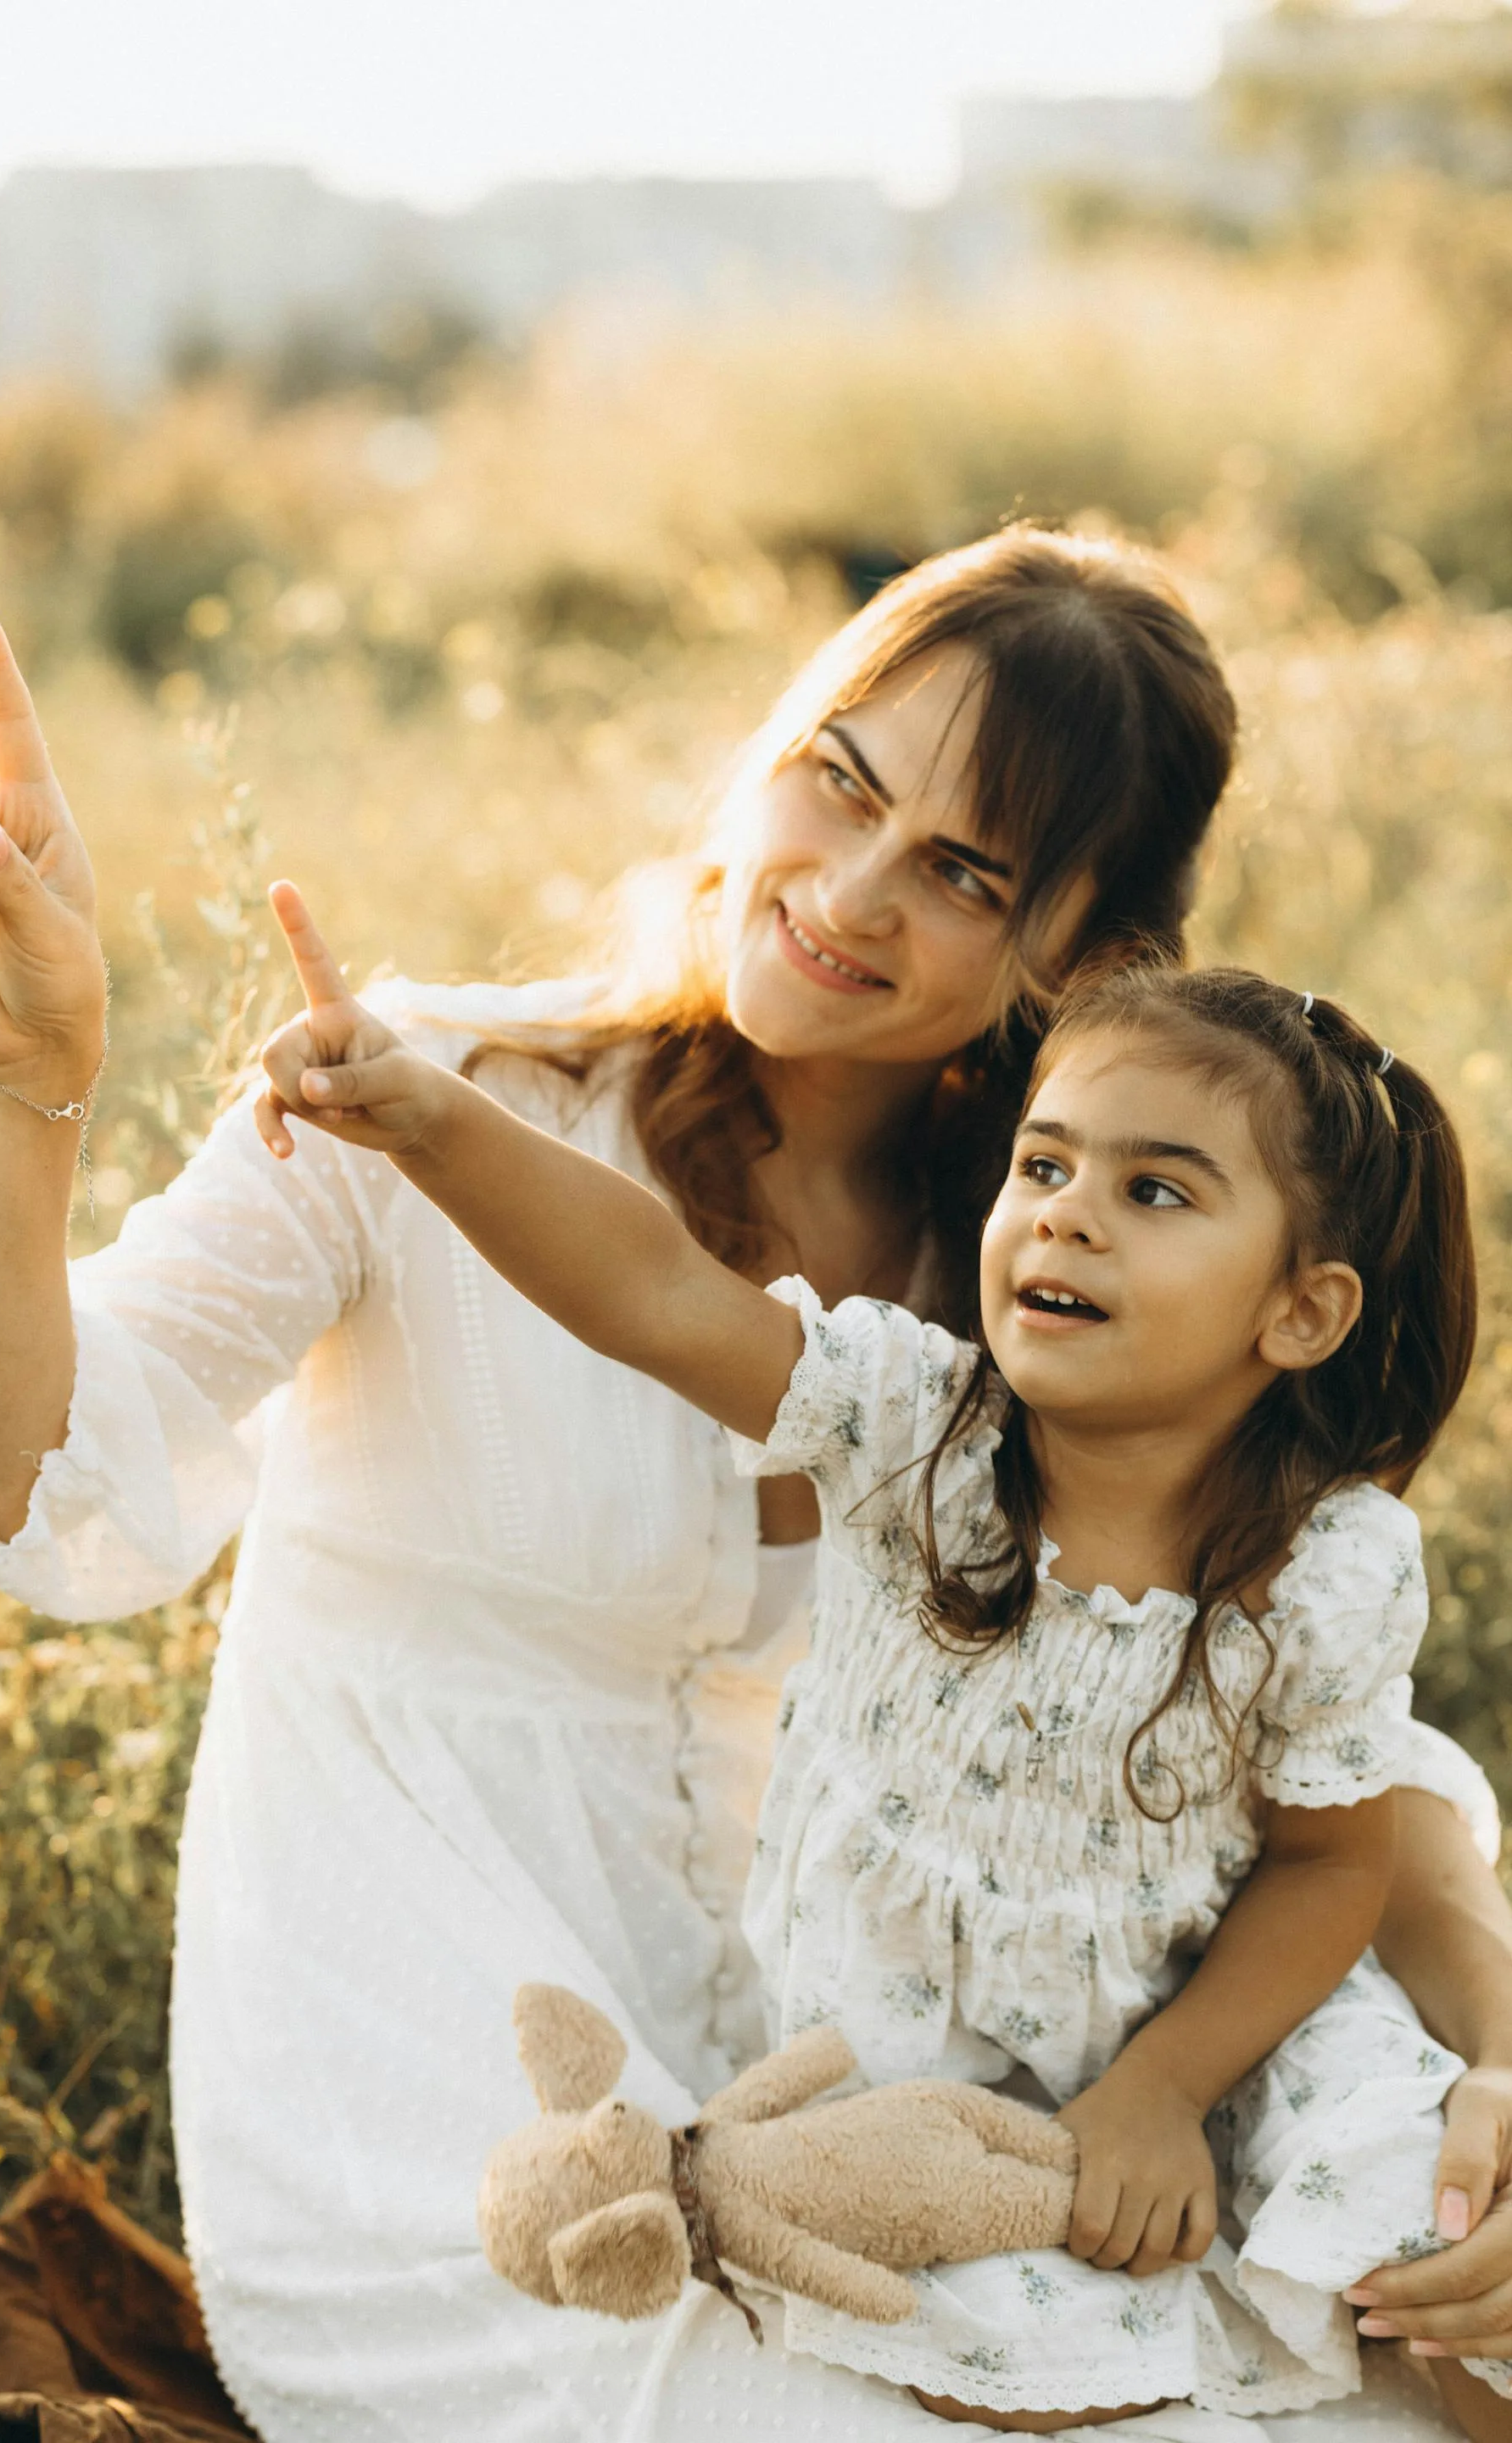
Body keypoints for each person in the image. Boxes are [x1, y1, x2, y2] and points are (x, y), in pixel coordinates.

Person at [0, 539, 1507, 2443]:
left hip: (856, 2095)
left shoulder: (1058, 1283)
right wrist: (20, 1078)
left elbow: (1307, 1756)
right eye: (841, 779)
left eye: (963, 874)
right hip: (460, 2120)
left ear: (1087, 958)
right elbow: (7, 1473)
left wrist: (1498, 2062)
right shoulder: (429, 1101)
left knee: (1382, 2391)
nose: (851, 890)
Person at [249, 920, 1492, 2426]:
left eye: (1154, 1190)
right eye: (1044, 1165)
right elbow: (653, 1287)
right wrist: (429, 1122)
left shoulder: (1326, 1566)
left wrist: (1172, 2086)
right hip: (932, 2086)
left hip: (1234, 2021)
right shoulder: (907, 1426)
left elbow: (1331, 1864)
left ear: (1302, 1311)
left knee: (1449, 2257)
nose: (1067, 1218)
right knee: (978, 2366)